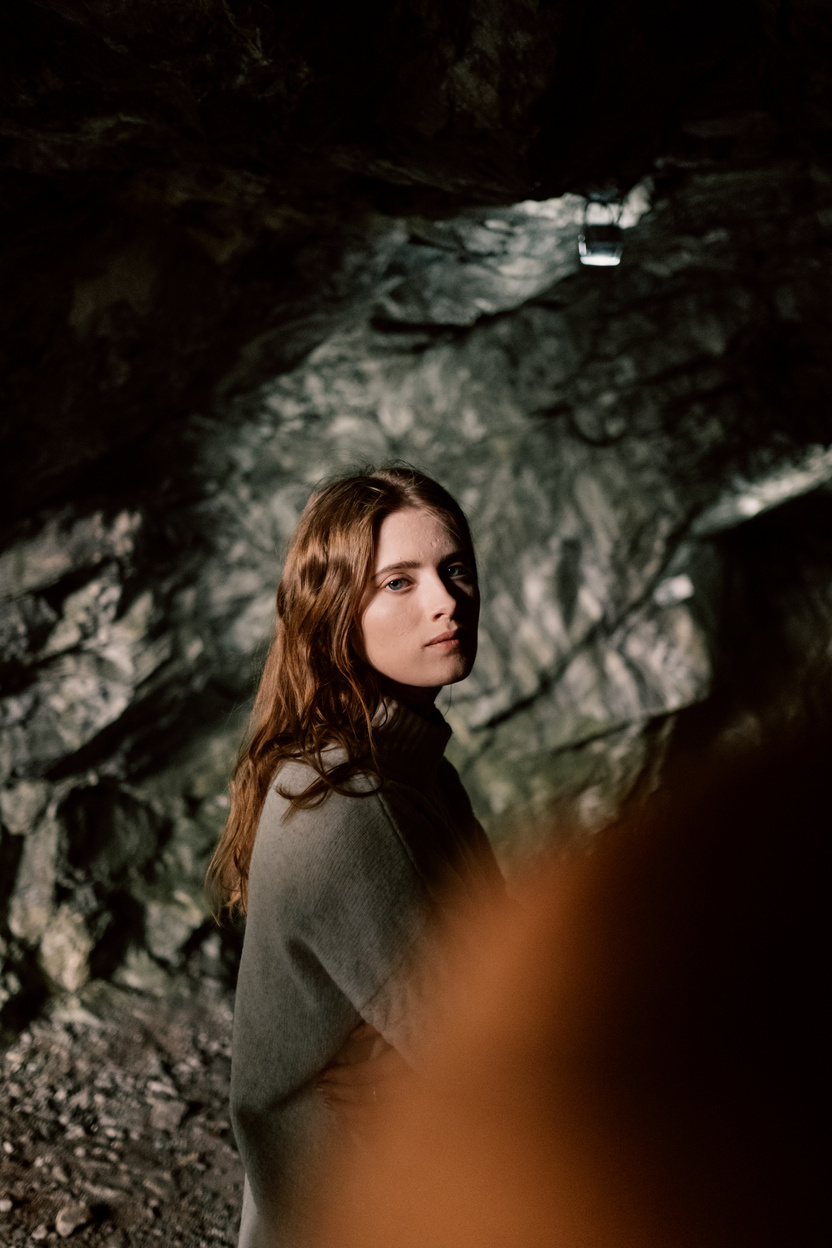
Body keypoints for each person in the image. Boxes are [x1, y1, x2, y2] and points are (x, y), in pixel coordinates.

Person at [207, 464, 503, 1248]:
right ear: (336, 614)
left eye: (454, 570)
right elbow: (497, 1064)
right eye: (398, 582)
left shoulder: (412, 767)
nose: (446, 600)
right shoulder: (345, 803)